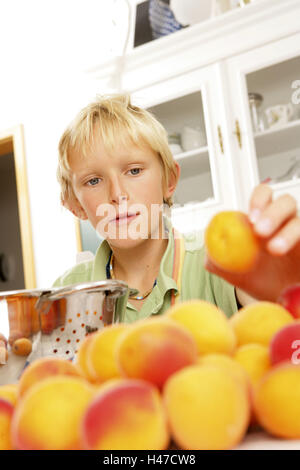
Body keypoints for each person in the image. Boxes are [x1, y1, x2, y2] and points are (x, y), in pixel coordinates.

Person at [53, 94, 300, 324]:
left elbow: (269, 306)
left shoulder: (217, 263)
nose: (118, 194)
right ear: (75, 205)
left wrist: (284, 282)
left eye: (134, 171)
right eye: (93, 181)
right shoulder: (64, 295)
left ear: (169, 180)